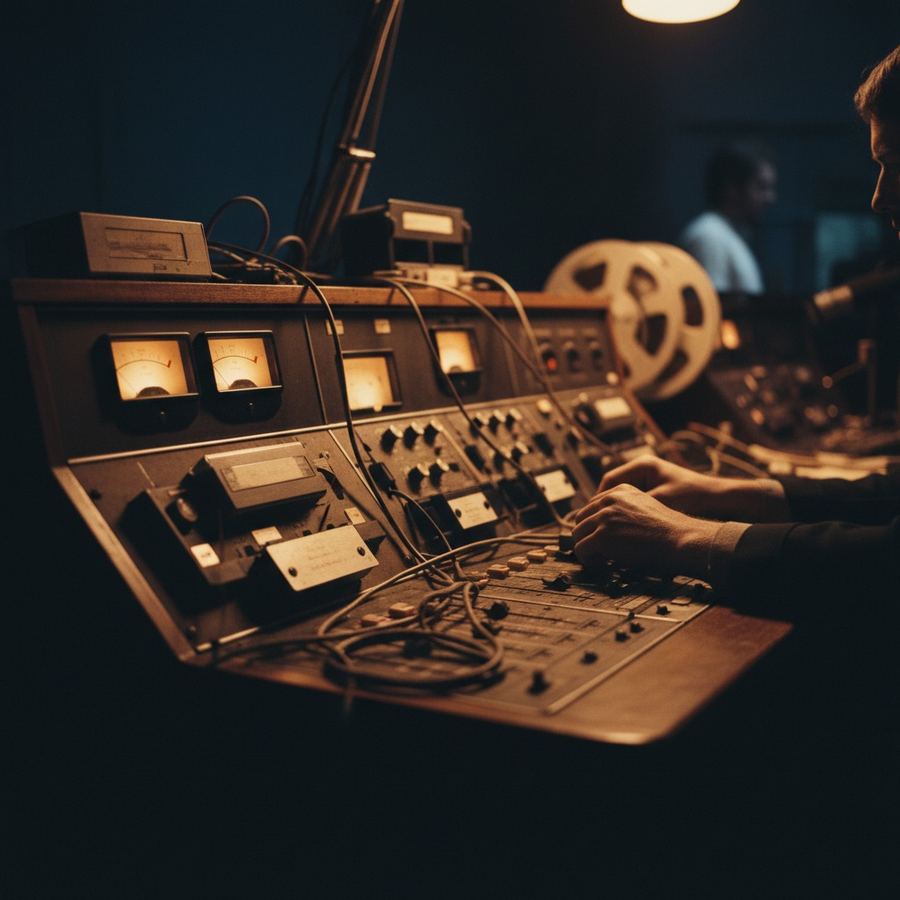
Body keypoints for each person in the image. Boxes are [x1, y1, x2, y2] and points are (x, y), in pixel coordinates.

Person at [574, 45, 900, 607]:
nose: (878, 198)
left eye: (895, 163)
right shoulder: (712, 237)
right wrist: (721, 492)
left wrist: (687, 538)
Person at [679, 143, 777, 293]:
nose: (770, 198)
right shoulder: (709, 236)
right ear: (732, 188)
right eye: (760, 187)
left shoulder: (724, 234)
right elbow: (712, 303)